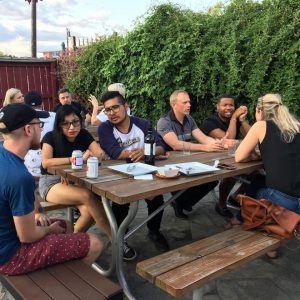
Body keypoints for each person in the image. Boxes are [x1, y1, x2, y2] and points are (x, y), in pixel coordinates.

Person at [0, 103, 102, 275]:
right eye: (38, 124)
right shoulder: (18, 176)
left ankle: (61, 264)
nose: (41, 129)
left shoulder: (5, 155)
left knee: (66, 225)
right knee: (96, 242)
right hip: (11, 257)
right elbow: (27, 236)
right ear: (28, 130)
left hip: (7, 240)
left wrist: (39, 214)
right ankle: (68, 285)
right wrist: (49, 230)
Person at [98, 91, 169, 256]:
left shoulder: (143, 124)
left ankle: (154, 231)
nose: (112, 113)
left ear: (126, 106)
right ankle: (120, 236)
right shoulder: (105, 128)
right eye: (107, 110)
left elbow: (160, 146)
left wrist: (146, 152)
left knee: (156, 196)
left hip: (144, 170)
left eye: (115, 107)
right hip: (117, 175)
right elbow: (115, 153)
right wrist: (147, 152)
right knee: (121, 201)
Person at [39, 104, 112, 240]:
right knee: (88, 196)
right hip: (51, 182)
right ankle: (115, 239)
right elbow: (46, 162)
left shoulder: (83, 134)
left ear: (80, 121)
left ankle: (68, 242)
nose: (71, 127)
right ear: (59, 124)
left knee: (90, 213)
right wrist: (73, 160)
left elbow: (99, 154)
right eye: (65, 123)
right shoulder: (50, 137)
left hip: (76, 181)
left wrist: (90, 154)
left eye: (75, 122)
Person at [156, 90, 222, 219]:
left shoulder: (189, 119)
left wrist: (218, 144)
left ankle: (179, 202)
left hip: (186, 162)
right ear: (174, 105)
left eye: (189, 102)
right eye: (185, 102)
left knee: (212, 179)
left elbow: (203, 137)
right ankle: (180, 202)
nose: (189, 105)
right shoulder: (164, 122)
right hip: (168, 165)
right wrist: (205, 148)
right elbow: (176, 144)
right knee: (188, 183)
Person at [235, 93, 300, 214]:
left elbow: (239, 156)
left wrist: (253, 156)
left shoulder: (260, 125)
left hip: (286, 203)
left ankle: (240, 219)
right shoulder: (296, 127)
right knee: (259, 179)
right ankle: (239, 218)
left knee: (254, 189)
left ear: (259, 111)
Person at [201, 95, 251, 218]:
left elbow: (251, 136)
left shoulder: (236, 120)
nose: (228, 108)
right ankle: (221, 204)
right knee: (233, 171)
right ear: (218, 107)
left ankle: (235, 197)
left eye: (231, 105)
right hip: (210, 159)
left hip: (231, 156)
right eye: (225, 105)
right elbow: (228, 141)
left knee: (255, 171)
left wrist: (242, 120)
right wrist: (234, 118)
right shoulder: (209, 122)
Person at [24, 91, 56, 176]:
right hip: (51, 168)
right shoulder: (54, 116)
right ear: (42, 103)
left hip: (28, 169)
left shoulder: (20, 119)